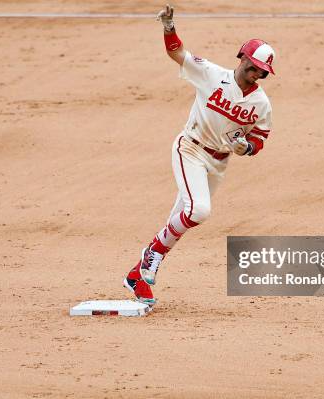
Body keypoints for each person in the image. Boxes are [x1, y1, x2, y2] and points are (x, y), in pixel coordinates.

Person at [124, 4, 275, 305]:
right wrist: (169, 28)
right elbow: (178, 53)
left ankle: (137, 275)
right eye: (253, 65)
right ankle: (151, 253)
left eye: (262, 71)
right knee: (198, 211)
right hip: (190, 148)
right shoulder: (210, 74)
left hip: (218, 164)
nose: (256, 72)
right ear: (242, 56)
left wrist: (247, 147)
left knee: (179, 219)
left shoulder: (261, 103)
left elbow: (260, 137)